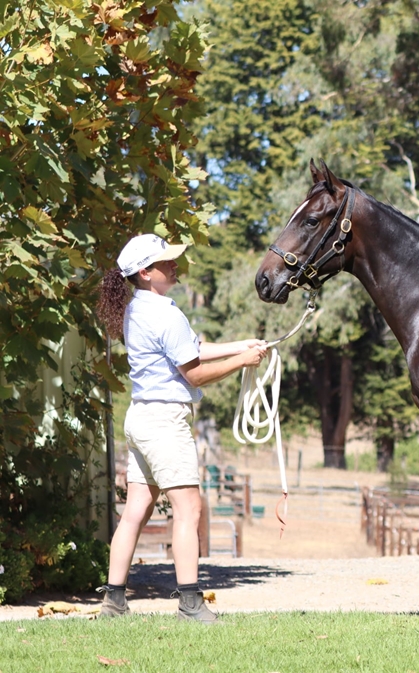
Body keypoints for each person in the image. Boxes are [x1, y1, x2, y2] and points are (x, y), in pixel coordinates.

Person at [96, 233, 268, 623]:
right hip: (165, 420)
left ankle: (114, 601)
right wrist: (243, 361)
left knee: (135, 510)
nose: (175, 266)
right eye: (165, 262)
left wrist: (240, 344)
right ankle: (190, 603)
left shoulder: (138, 308)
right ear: (145, 272)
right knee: (190, 508)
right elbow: (195, 373)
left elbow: (191, 349)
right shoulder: (165, 313)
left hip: (141, 417)